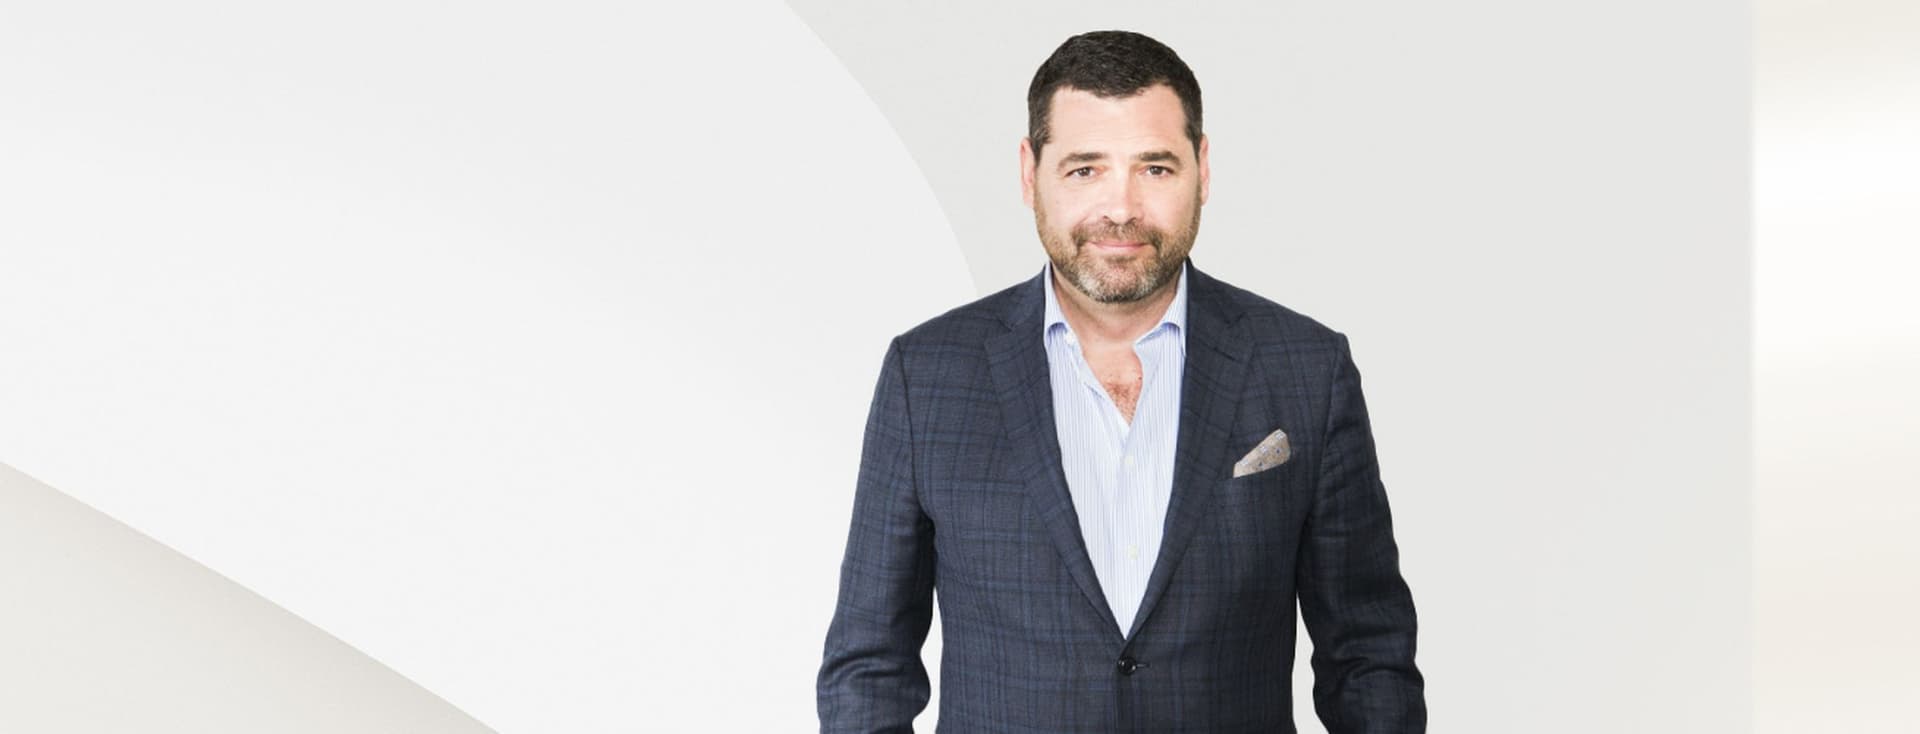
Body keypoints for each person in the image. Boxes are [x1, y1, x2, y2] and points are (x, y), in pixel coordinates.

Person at [817, 30, 1425, 733]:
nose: (1121, 207)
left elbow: (1368, 656)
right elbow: (868, 667)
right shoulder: (927, 378)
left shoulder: (1306, 370)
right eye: (1085, 170)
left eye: (1155, 169)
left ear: (1202, 167)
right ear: (1029, 172)